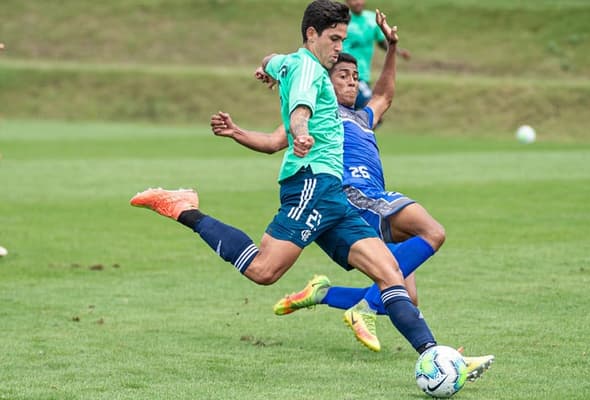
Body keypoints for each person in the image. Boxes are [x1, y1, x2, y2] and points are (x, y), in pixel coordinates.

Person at [132, 0, 438, 360]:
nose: (341, 48)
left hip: (332, 195)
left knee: (390, 273)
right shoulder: (310, 70)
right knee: (263, 270)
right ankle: (184, 208)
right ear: (312, 34)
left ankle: (434, 355)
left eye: (343, 39)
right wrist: (301, 131)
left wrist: (265, 69)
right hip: (311, 183)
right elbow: (301, 109)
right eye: (335, 39)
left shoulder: (292, 63)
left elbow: (269, 58)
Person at [209, 8, 493, 380]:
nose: (351, 81)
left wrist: (391, 47)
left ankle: (339, 300)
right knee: (431, 233)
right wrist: (256, 128)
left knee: (404, 294)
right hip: (349, 196)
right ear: (326, 75)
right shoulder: (317, 102)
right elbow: (284, 129)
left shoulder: (360, 118)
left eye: (355, 76)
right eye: (343, 73)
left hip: (363, 199)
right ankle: (372, 314)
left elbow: (385, 95)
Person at [343, 0, 410, 109]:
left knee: (358, 114)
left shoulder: (372, 19)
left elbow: (382, 42)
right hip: (345, 73)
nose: (358, 2)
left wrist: (399, 51)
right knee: (370, 108)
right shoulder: (343, 19)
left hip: (364, 74)